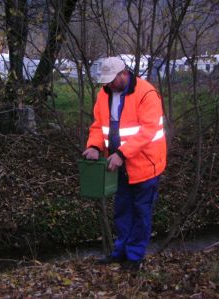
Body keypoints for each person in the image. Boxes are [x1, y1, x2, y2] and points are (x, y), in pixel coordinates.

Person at [82, 56, 166, 271]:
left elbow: (148, 130)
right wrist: (94, 147)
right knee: (122, 211)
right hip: (119, 166)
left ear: (124, 74)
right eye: (106, 80)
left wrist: (121, 153)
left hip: (146, 166)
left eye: (112, 79)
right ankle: (120, 253)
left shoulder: (146, 93)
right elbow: (99, 126)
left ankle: (135, 257)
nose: (108, 84)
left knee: (141, 212)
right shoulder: (104, 94)